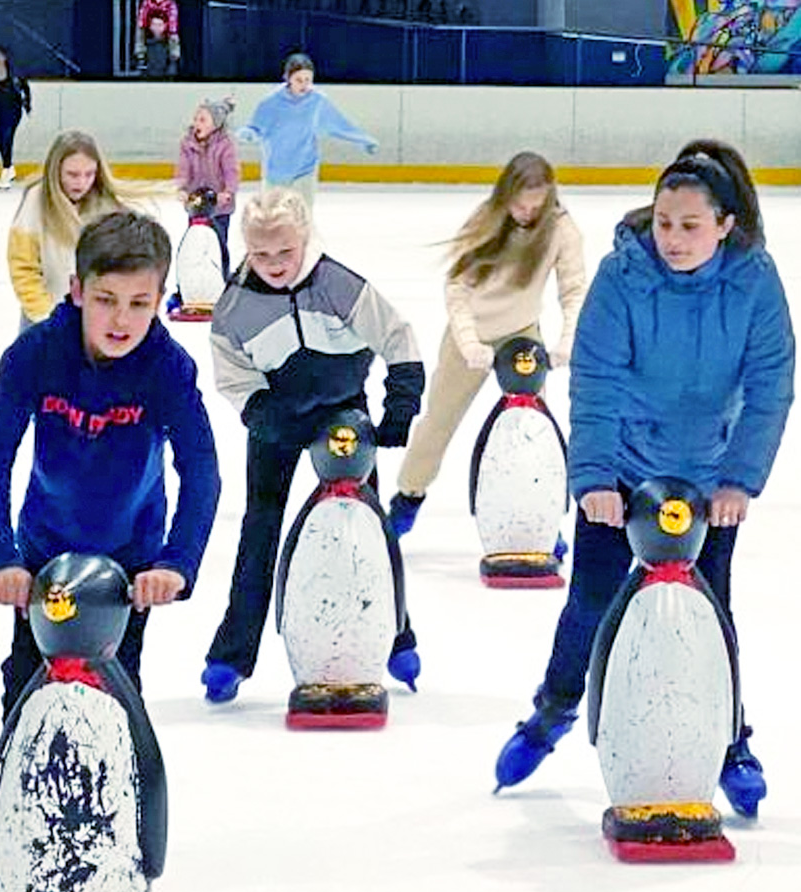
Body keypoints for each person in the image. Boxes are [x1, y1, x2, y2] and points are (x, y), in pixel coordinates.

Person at [492, 140, 795, 820]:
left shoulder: (753, 281)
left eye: (690, 225)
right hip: (625, 468)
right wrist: (595, 476)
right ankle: (552, 709)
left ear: (724, 225)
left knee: (708, 614)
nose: (673, 238)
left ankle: (728, 743)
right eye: (663, 222)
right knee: (591, 602)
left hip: (707, 478)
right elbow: (595, 379)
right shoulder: (622, 276)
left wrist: (739, 480)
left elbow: (770, 385)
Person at [0, 210, 221, 892]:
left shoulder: (166, 366)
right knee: (23, 704)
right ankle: (1, 852)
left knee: (111, 710)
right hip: (43, 563)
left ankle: (115, 847)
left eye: (138, 302)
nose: (121, 318)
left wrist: (175, 563)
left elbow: (202, 468)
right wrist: (0, 558)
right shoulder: (37, 354)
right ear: (76, 290)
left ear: (160, 299)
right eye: (106, 300)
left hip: (127, 570)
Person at [201, 188, 425, 704]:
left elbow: (398, 337)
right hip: (276, 416)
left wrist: (400, 405)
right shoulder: (235, 306)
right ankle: (231, 654)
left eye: (285, 251)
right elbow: (233, 375)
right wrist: (261, 413)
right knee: (259, 530)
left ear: (304, 238)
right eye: (261, 254)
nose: (275, 264)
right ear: (245, 248)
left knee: (368, 528)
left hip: (343, 414)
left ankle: (396, 636)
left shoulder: (338, 284)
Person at [0, 129, 158, 533]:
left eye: (88, 174)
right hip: (44, 329)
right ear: (55, 171)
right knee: (11, 416)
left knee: (85, 421)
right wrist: (48, 322)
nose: (79, 183)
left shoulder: (107, 209)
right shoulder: (35, 206)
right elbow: (24, 270)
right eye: (72, 175)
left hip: (97, 332)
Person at [386, 151, 587, 537]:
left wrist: (567, 340)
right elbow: (457, 287)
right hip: (471, 333)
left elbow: (574, 290)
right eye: (519, 204)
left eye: (536, 205)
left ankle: (540, 518)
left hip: (522, 334)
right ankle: (408, 496)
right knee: (438, 422)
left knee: (533, 431)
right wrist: (468, 341)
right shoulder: (485, 219)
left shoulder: (562, 229)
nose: (526, 213)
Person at [236, 52, 378, 212]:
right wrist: (248, 133)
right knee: (272, 220)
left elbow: (338, 125)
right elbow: (256, 128)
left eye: (308, 80)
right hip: (276, 171)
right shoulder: (270, 102)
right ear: (288, 78)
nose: (304, 84)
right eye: (299, 80)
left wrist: (363, 139)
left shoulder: (317, 101)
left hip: (305, 169)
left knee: (302, 219)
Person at [174, 96, 240, 281]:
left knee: (219, 244)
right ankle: (189, 281)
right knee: (194, 243)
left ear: (216, 124)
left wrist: (228, 191)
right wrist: (182, 187)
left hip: (220, 207)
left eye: (202, 119)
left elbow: (231, 171)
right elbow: (183, 168)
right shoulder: (187, 143)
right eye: (196, 118)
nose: (196, 123)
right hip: (196, 204)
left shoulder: (225, 145)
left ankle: (222, 277)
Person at [0, 45, 31, 191]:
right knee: (1, 142)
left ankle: (5, 172)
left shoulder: (15, 75)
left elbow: (26, 88)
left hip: (14, 111)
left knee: (7, 138)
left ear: (5, 58)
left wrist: (27, 103)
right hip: (0, 113)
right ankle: (9, 168)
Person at [134, 0, 180, 78]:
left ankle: (173, 60)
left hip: (165, 28)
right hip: (150, 27)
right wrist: (151, 25)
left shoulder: (170, 4)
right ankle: (141, 59)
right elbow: (142, 18)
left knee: (173, 35)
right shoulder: (147, 3)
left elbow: (173, 22)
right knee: (139, 32)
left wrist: (163, 27)